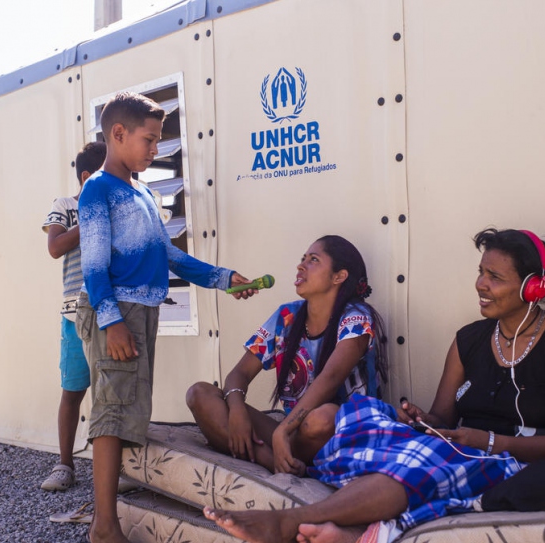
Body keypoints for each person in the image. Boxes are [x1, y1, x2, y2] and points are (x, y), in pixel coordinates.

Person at [203, 228, 545, 543]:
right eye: (480, 272)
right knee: (404, 449)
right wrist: (423, 419)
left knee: (410, 467)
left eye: (494, 277)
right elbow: (442, 416)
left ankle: (289, 522)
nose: (480, 284)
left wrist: (489, 442)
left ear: (534, 287)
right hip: (458, 443)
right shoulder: (469, 339)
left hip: (509, 458)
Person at [76, 91, 256, 543]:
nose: (156, 150)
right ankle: (105, 526)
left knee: (128, 410)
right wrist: (111, 319)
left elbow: (168, 254)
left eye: (158, 142)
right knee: (112, 414)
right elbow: (94, 264)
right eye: (149, 140)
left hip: (139, 311)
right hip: (116, 311)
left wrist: (222, 277)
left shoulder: (141, 192)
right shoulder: (98, 190)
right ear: (117, 135)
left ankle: (109, 516)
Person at [187, 235, 388, 476]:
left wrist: (281, 431)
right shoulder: (287, 316)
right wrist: (237, 408)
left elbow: (332, 376)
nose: (300, 265)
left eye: (313, 260)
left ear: (339, 277)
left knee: (323, 418)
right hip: (292, 436)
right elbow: (239, 373)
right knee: (200, 393)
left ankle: (279, 458)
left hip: (341, 435)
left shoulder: (357, 317)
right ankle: (275, 463)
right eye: (303, 259)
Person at [39, 142, 133, 494]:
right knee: (73, 390)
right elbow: (55, 247)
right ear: (87, 177)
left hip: (111, 313)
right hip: (73, 315)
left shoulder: (119, 208)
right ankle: (65, 464)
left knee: (113, 394)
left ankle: (115, 468)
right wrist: (92, 219)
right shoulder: (66, 206)